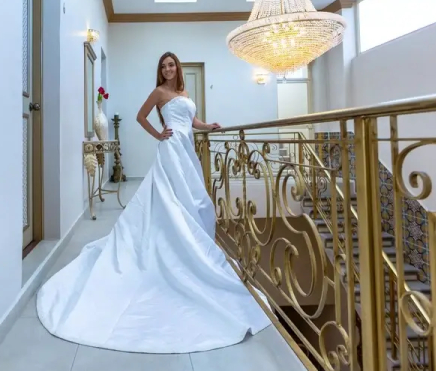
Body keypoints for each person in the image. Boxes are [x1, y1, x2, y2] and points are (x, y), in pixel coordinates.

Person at [36, 51, 271, 353]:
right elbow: (140, 116)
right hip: (171, 148)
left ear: (177, 67)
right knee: (172, 196)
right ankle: (175, 241)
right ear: (160, 71)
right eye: (163, 66)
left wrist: (207, 126)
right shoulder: (159, 92)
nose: (168, 69)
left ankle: (193, 240)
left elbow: (191, 120)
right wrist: (159, 135)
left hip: (186, 149)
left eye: (171, 65)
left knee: (197, 200)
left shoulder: (184, 92)